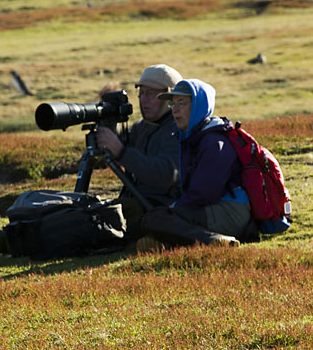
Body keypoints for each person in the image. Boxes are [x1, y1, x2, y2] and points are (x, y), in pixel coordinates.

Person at [138, 79, 258, 250]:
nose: (175, 110)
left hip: (230, 211)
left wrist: (175, 207)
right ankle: (167, 243)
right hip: (214, 208)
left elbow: (205, 192)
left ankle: (214, 241)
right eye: (172, 103)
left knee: (156, 218)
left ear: (199, 106)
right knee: (157, 217)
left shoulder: (214, 141)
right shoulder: (193, 137)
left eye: (182, 103)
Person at [96, 64, 183, 239]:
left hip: (163, 211)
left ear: (169, 97)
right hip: (139, 204)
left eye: (151, 94)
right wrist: (108, 121)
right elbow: (112, 150)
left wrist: (122, 152)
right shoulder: (142, 128)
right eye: (141, 94)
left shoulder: (178, 129)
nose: (144, 100)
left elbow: (166, 175)